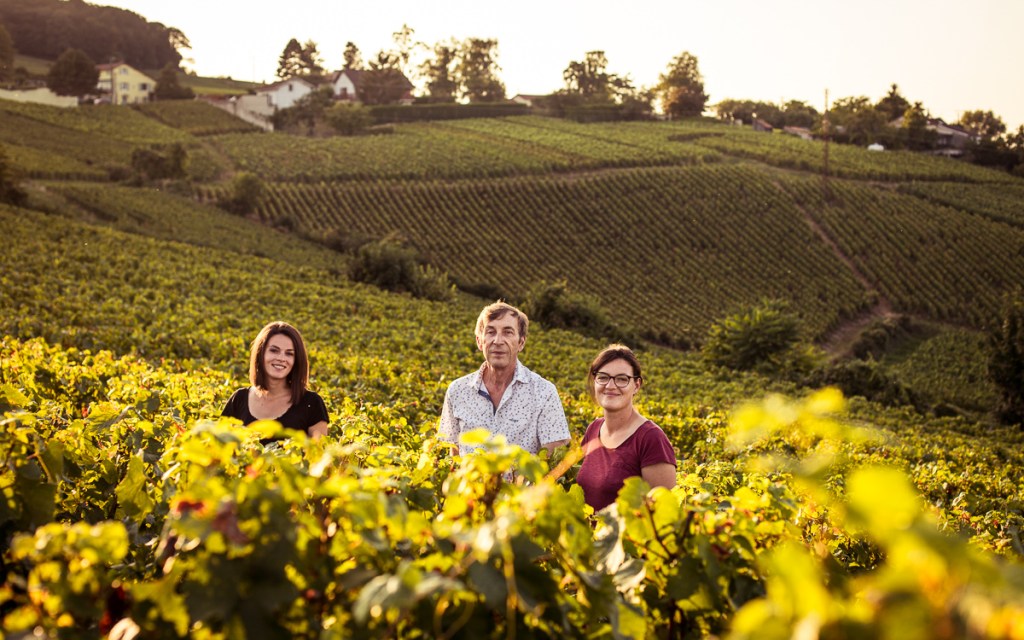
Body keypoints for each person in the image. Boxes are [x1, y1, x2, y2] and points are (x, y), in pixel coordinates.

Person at [439, 302, 570, 457]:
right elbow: (453, 454)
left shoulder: (544, 392)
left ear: (521, 342)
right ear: (480, 341)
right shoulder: (457, 391)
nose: (498, 341)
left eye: (508, 332)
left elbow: (554, 455)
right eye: (490, 332)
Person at [575, 344, 676, 511]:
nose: (610, 385)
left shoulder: (651, 439)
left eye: (622, 379)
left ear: (636, 385)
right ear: (595, 381)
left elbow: (665, 514)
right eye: (603, 377)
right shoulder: (593, 429)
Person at [222, 321, 329, 440]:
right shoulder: (239, 399)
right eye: (274, 350)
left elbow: (319, 455)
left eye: (289, 354)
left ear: (296, 360)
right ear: (260, 353)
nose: (281, 358)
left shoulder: (312, 403)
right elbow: (218, 450)